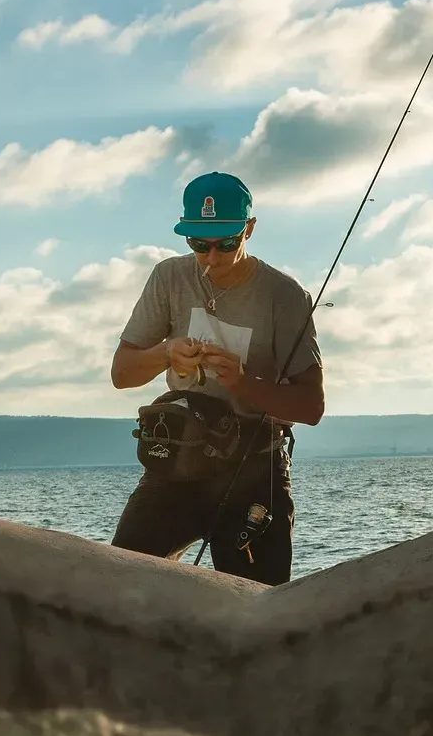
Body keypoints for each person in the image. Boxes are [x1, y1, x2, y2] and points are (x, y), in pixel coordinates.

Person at [108, 171, 324, 586]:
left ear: (250, 229)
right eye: (197, 244)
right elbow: (122, 373)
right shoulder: (168, 278)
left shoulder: (285, 296)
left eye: (225, 243)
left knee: (260, 602)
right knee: (119, 578)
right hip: (177, 463)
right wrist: (165, 352)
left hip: (253, 469)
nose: (210, 256)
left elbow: (311, 407)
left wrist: (243, 383)